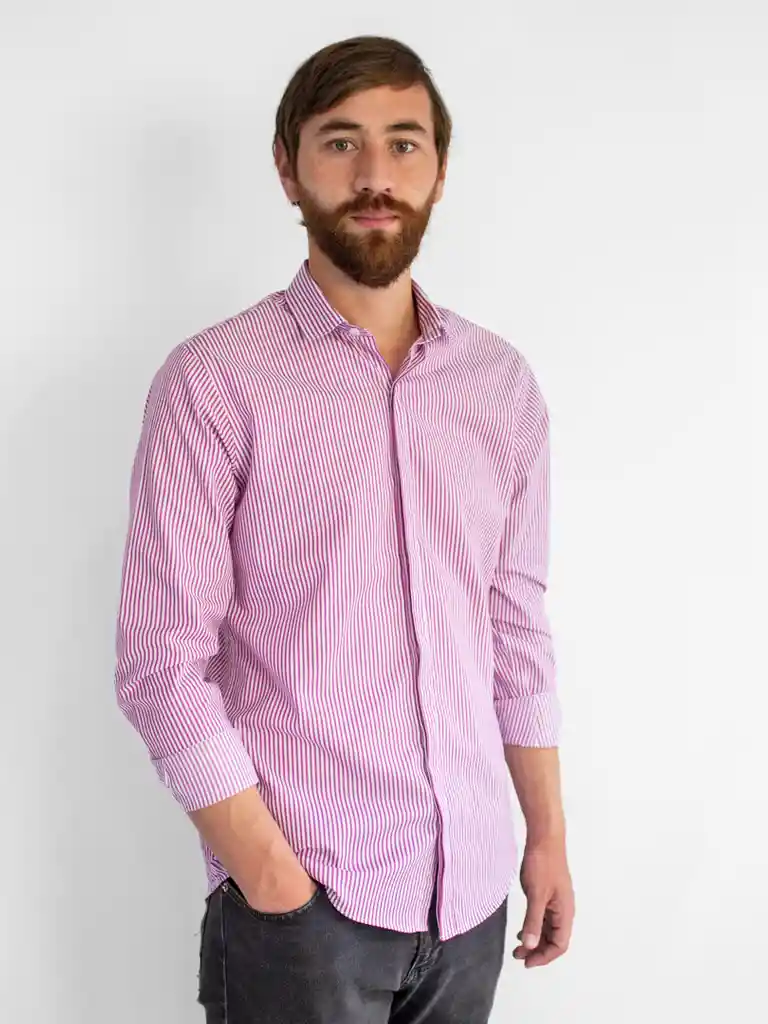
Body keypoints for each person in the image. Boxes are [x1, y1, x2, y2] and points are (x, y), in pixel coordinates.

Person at [114, 33, 574, 1024]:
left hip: (471, 896)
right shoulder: (214, 382)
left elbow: (516, 628)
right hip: (305, 906)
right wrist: (271, 880)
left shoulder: (500, 387)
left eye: (404, 143)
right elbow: (160, 661)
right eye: (340, 142)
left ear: (440, 169)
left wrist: (546, 835)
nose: (375, 174)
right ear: (288, 167)